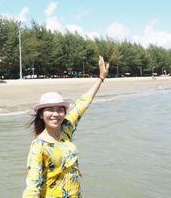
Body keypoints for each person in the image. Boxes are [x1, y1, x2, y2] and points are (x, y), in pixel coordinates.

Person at [22, 56, 109, 198]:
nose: (55, 114)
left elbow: (83, 103)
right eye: (50, 110)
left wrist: (101, 78)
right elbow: (32, 187)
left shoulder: (66, 129)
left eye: (59, 109)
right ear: (41, 115)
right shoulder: (39, 147)